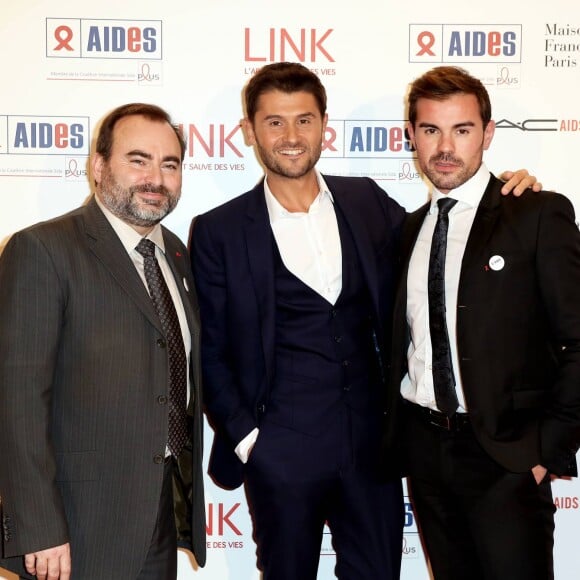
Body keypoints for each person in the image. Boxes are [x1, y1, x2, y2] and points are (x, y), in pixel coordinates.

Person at [190, 62, 539, 580]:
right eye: (275, 122)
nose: (291, 137)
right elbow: (211, 349)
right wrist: (251, 442)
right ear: (249, 130)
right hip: (280, 454)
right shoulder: (218, 230)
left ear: (325, 126)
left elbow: (444, 244)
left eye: (304, 120)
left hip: (372, 452)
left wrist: (505, 196)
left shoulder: (368, 201)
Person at [384, 65, 580, 580]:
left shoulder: (536, 214)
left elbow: (577, 342)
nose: (445, 146)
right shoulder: (407, 230)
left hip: (507, 460)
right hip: (425, 455)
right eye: (430, 130)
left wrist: (543, 452)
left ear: (488, 134)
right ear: (412, 136)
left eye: (462, 129)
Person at [0, 103, 206, 580]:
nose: (156, 177)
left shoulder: (175, 253)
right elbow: (17, 401)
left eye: (169, 164)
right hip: (75, 525)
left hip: (158, 510)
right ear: (98, 167)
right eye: (138, 159)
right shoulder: (43, 250)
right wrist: (38, 527)